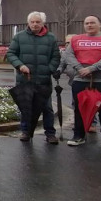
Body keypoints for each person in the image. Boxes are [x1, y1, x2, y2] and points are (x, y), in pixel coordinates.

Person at [63, 15, 101, 150]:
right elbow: (68, 55)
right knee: (79, 108)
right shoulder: (76, 39)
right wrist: (80, 68)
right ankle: (78, 136)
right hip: (80, 79)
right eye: (86, 23)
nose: (89, 25)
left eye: (92, 23)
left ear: (100, 25)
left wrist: (92, 68)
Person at [5, 12, 61, 144]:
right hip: (25, 80)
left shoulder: (51, 38)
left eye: (38, 22)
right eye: (32, 22)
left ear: (43, 23)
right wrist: (20, 65)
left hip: (44, 81)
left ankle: (50, 134)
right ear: (28, 23)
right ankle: (26, 132)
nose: (35, 24)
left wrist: (49, 69)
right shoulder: (19, 37)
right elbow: (11, 54)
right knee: (26, 107)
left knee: (47, 108)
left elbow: (56, 57)